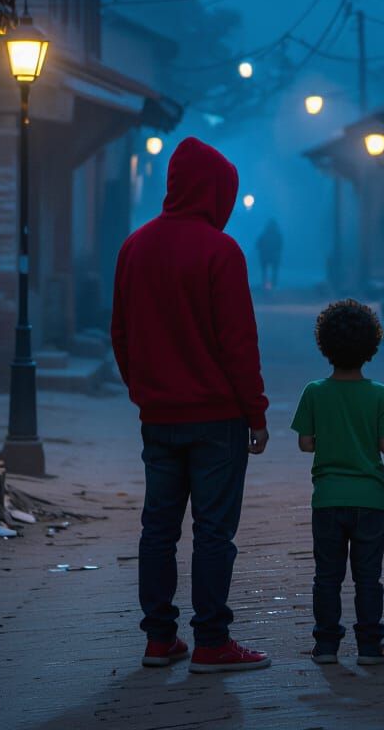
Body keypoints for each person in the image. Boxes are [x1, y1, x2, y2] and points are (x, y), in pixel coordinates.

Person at [111, 137, 271, 675]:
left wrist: (144, 390)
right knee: (213, 532)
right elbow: (238, 342)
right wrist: (256, 413)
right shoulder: (220, 252)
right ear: (216, 192)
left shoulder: (135, 247)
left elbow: (121, 334)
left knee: (158, 528)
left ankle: (159, 639)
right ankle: (211, 641)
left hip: (158, 417)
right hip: (218, 421)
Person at [291, 300, 384, 665]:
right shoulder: (379, 394)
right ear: (372, 346)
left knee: (327, 576)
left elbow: (305, 443)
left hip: (326, 499)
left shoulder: (314, 391)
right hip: (370, 500)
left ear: (324, 344)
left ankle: (326, 645)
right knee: (368, 577)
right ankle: (370, 645)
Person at [256, 220, 283, 290]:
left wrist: (263, 250)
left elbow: (258, 244)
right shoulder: (277, 235)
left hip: (265, 255)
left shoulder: (264, 234)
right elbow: (280, 245)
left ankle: (266, 284)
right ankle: (273, 284)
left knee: (265, 271)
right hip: (272, 255)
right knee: (273, 270)